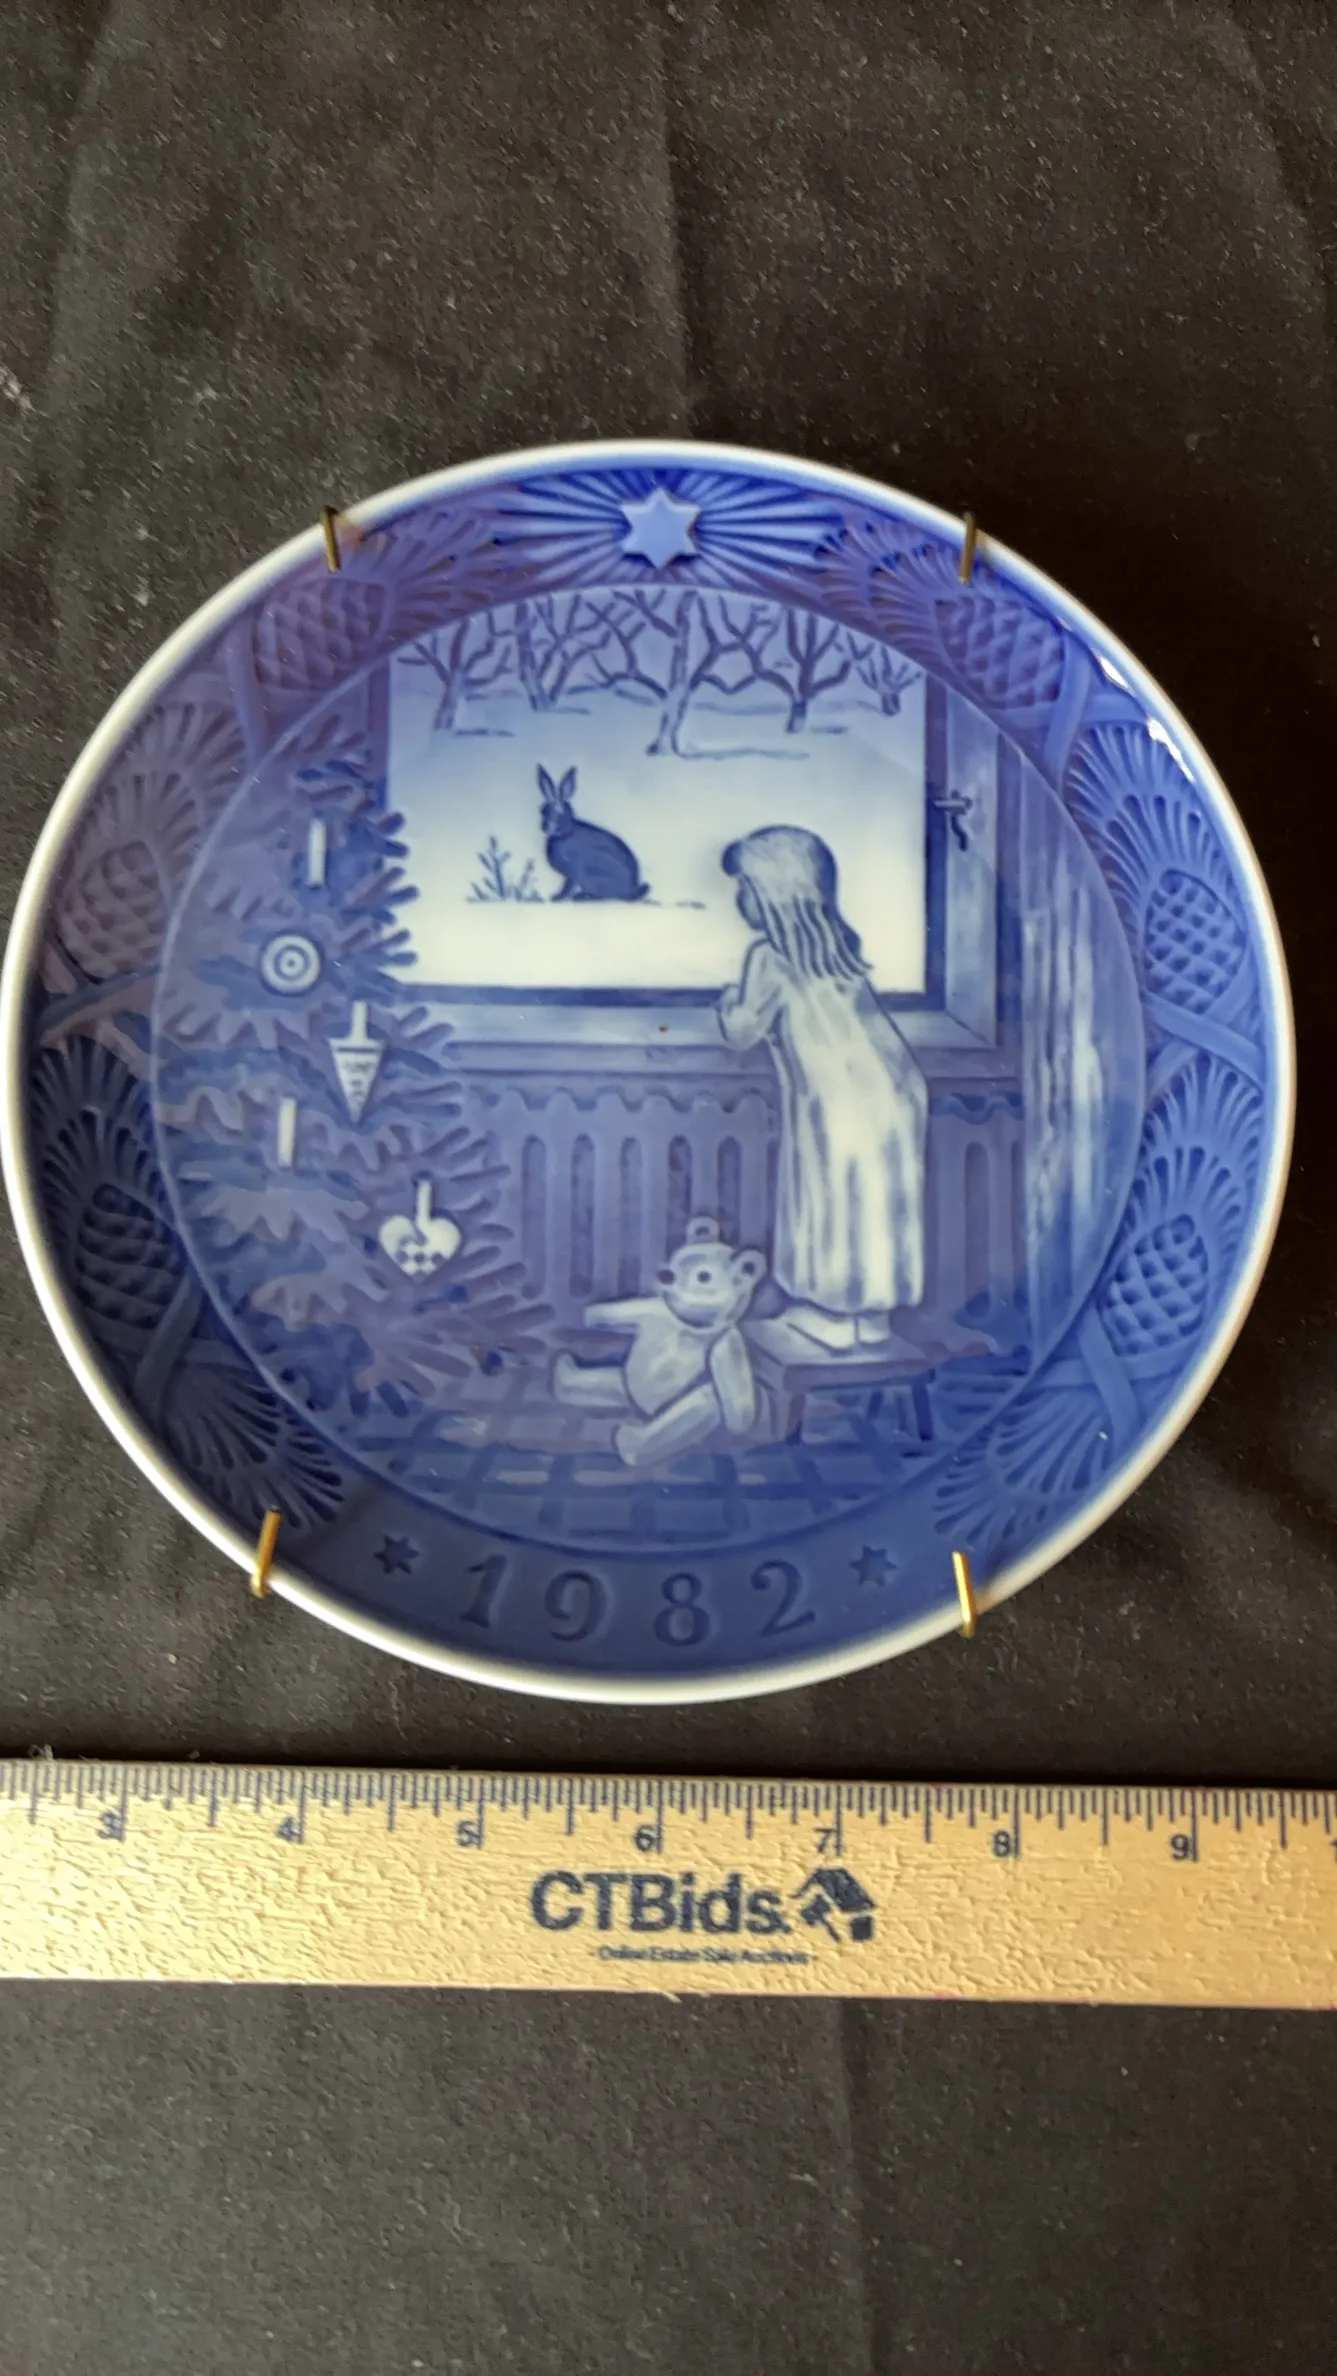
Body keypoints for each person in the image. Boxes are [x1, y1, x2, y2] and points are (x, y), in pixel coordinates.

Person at [718, 826, 927, 1351]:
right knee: (876, 1204)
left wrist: (727, 1003)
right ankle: (873, 1319)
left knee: (827, 1200)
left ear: (773, 891)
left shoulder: (769, 957)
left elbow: (742, 1031)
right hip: (893, 1091)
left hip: (833, 1101)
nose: (740, 899)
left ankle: (829, 1316)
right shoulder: (838, 949)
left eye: (745, 886)